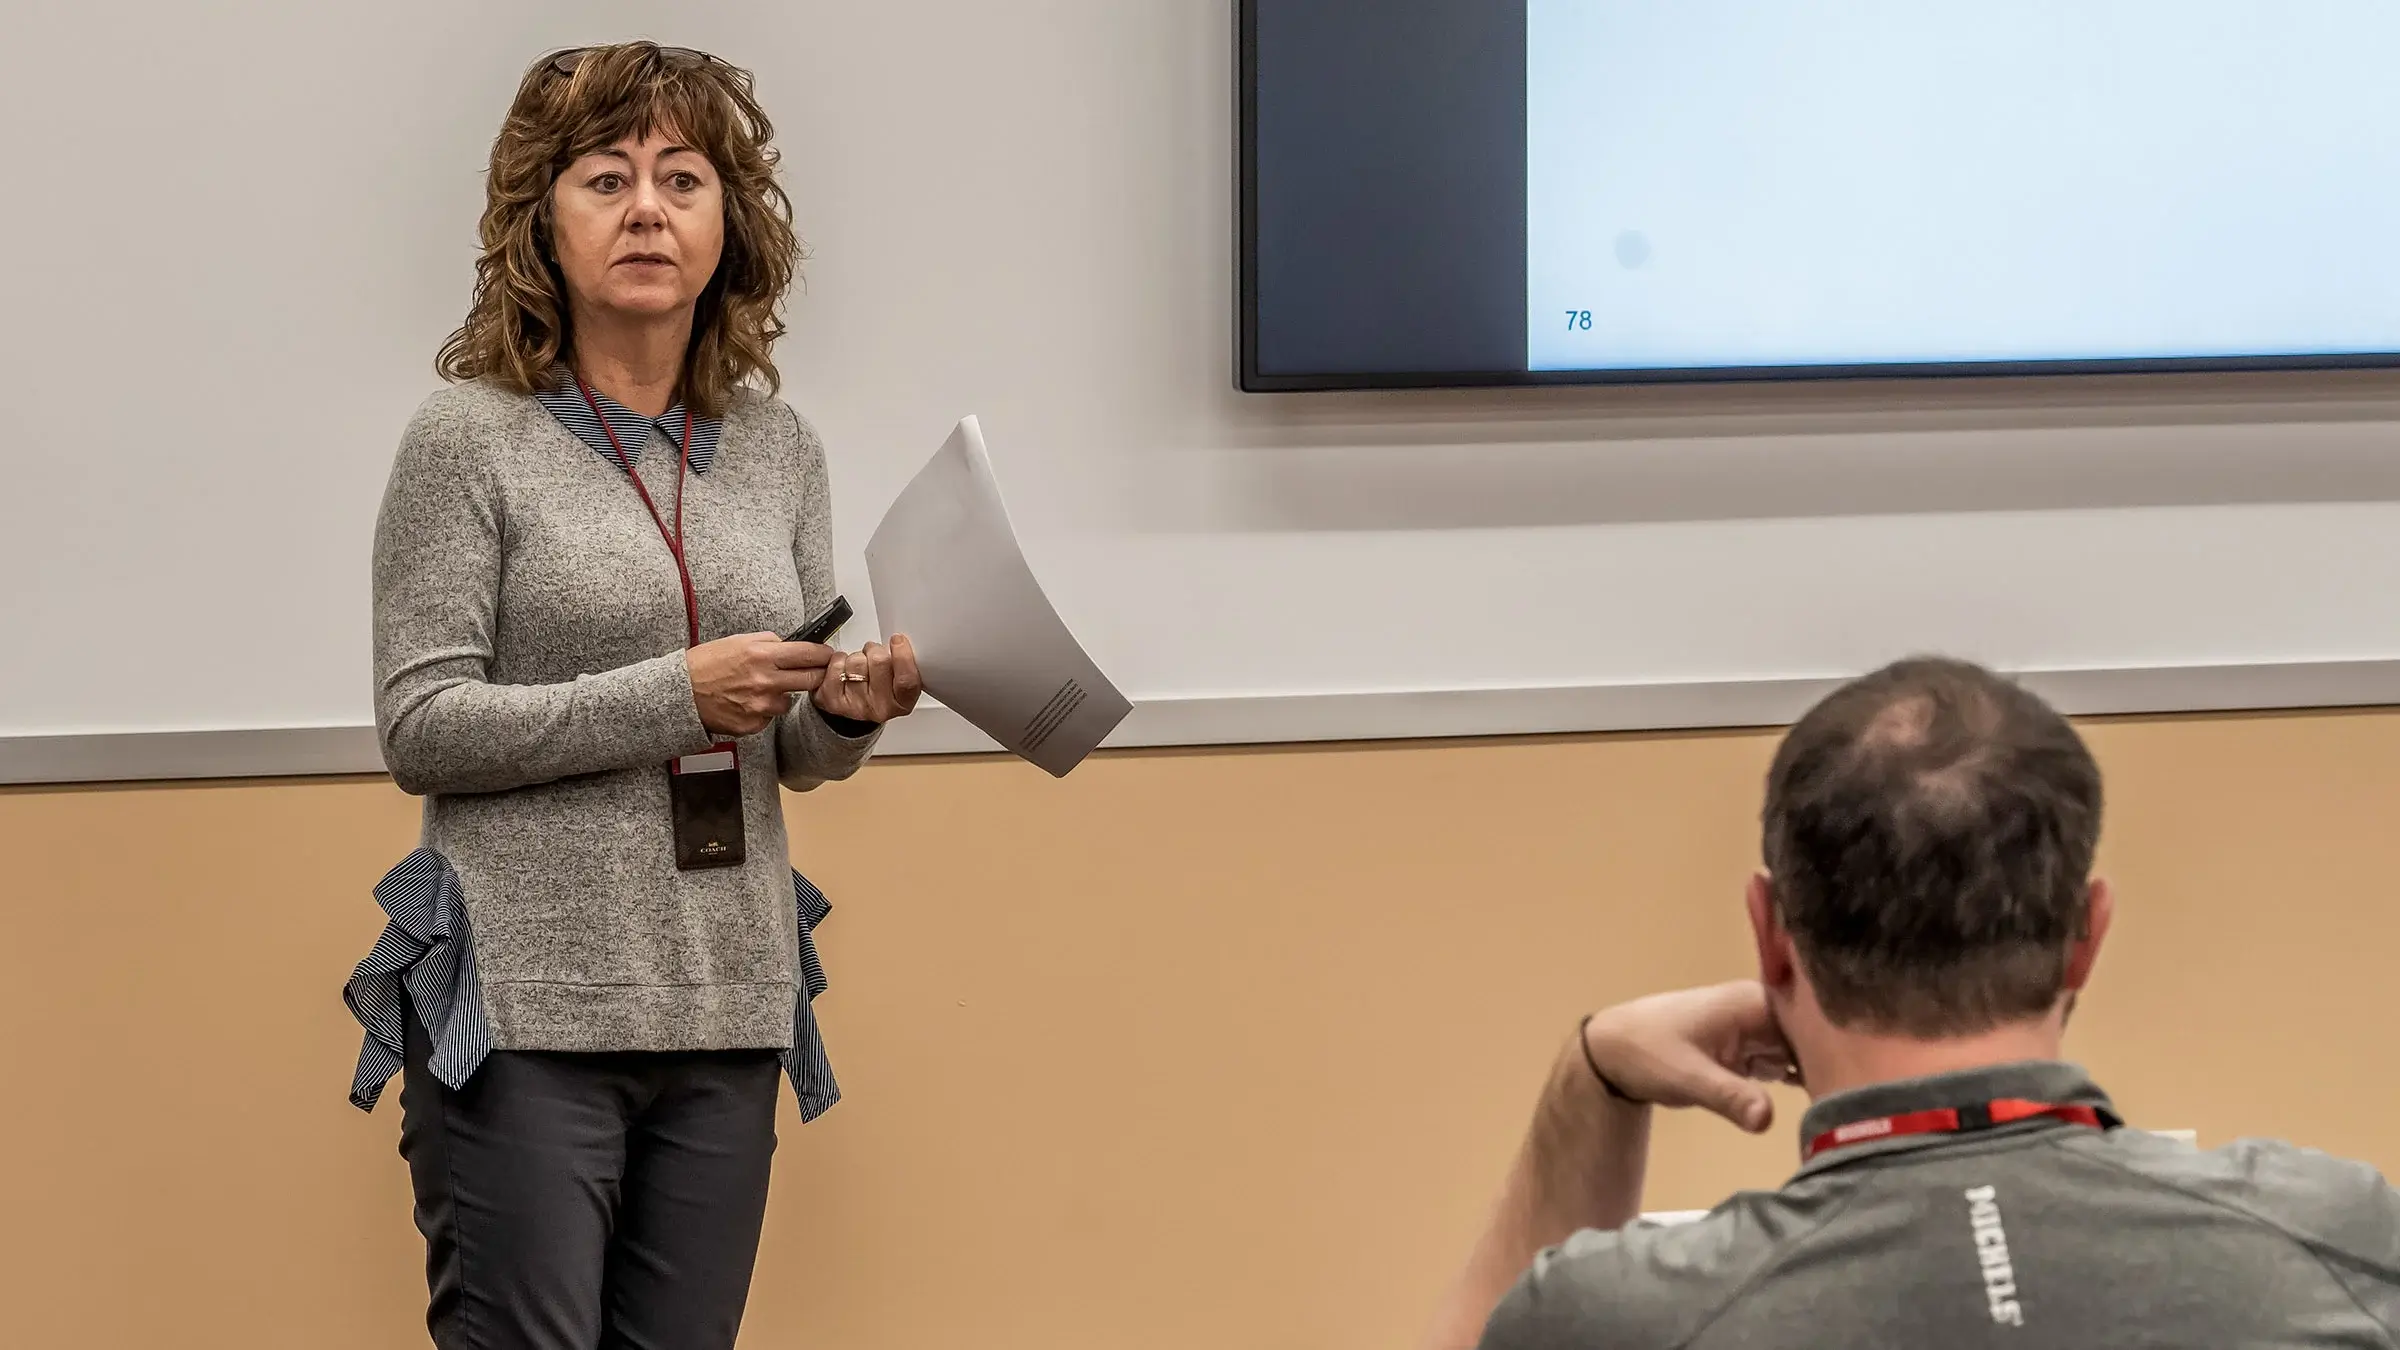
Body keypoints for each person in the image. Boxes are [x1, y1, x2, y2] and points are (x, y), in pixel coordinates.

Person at [339, 42, 920, 1350]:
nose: (647, 207)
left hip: (725, 997)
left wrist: (847, 712)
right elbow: (423, 724)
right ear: (542, 221)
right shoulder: (467, 438)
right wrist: (678, 692)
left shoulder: (781, 448)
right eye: (606, 178)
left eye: (681, 177)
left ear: (732, 223)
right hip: (527, 1010)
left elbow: (793, 753)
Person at [1426, 656, 2400, 1349]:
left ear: (1770, 936)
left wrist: (1592, 1077)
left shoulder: (1621, 1316)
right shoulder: (2347, 1240)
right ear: (2088, 936)